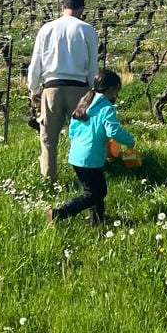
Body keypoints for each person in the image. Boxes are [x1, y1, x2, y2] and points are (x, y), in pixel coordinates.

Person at [28, 0, 99, 181]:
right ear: (81, 9)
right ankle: (84, 180)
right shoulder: (87, 30)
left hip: (52, 88)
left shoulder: (46, 29)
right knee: (81, 137)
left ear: (62, 7)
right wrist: (94, 91)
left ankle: (49, 180)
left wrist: (34, 88)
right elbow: (93, 66)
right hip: (79, 90)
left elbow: (36, 62)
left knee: (48, 139)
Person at [49, 69, 135, 225]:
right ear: (113, 89)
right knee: (97, 192)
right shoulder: (107, 108)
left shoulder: (85, 101)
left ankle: (97, 221)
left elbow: (73, 129)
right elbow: (113, 131)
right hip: (91, 157)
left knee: (94, 190)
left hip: (76, 155)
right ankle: (60, 213)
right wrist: (130, 141)